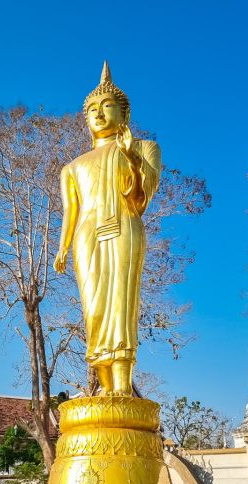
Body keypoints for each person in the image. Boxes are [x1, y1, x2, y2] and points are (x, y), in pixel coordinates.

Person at [53, 62, 161, 395]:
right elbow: (71, 212)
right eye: (92, 110)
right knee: (94, 309)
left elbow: (143, 195)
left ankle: (122, 387)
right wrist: (62, 247)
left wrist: (131, 156)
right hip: (87, 237)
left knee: (121, 302)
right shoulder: (72, 168)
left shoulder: (144, 148)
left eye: (107, 106)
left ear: (124, 113)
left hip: (124, 226)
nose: (99, 114)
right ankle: (103, 388)